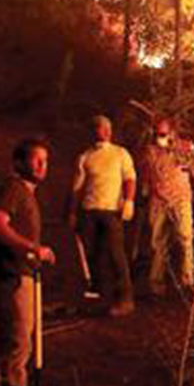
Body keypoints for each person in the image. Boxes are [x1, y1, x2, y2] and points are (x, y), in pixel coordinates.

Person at [0, 137, 56, 386]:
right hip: (12, 273)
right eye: (36, 160)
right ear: (19, 162)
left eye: (45, 160)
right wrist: (31, 247)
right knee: (19, 337)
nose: (42, 166)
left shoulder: (25, 192)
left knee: (14, 334)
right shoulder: (13, 189)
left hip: (20, 271)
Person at [68, 115, 136, 316]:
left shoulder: (120, 154)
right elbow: (76, 189)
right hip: (89, 211)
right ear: (93, 131)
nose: (105, 131)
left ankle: (125, 299)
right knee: (93, 256)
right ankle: (100, 298)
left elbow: (130, 178)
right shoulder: (85, 156)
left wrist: (129, 201)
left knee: (117, 255)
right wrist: (72, 213)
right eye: (100, 128)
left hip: (111, 211)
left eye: (108, 128)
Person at [140, 118, 194, 295]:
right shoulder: (150, 151)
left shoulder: (185, 148)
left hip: (180, 198)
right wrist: (144, 192)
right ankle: (156, 285)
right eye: (156, 133)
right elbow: (146, 174)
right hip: (158, 200)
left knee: (185, 238)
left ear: (172, 133)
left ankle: (188, 282)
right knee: (157, 243)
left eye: (162, 134)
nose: (158, 137)